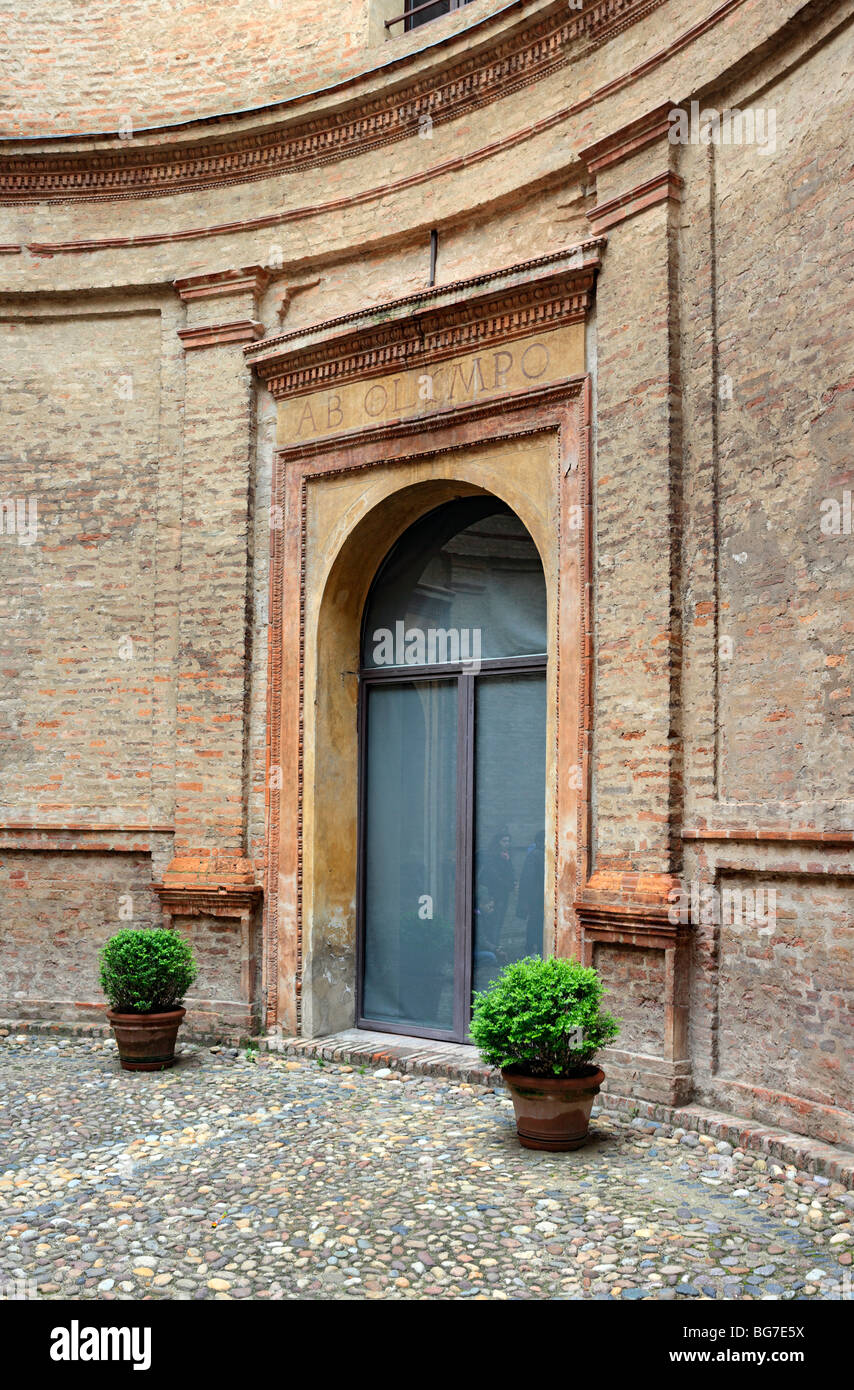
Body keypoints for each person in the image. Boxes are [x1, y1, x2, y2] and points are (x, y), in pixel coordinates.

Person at [515, 828, 545, 956]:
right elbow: (528, 879)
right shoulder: (535, 855)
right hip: (537, 898)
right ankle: (532, 949)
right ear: (540, 842)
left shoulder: (539, 854)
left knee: (537, 923)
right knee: (535, 923)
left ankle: (536, 949)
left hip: (539, 898)